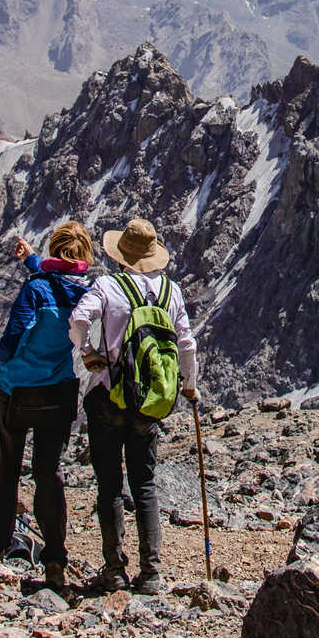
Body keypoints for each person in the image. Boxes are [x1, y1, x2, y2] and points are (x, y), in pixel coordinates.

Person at [69, 217, 198, 593]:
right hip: (151, 402)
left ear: (121, 253)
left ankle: (113, 570)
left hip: (109, 393)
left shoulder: (108, 285)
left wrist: (89, 353)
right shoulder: (171, 292)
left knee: (109, 484)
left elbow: (78, 320)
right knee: (144, 483)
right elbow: (187, 343)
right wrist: (188, 387)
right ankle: (151, 573)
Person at [0, 220, 92, 589]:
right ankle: (54, 558)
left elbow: (14, 334)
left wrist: (4, 360)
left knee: (6, 470)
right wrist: (31, 259)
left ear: (54, 248)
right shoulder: (88, 293)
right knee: (49, 473)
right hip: (58, 393)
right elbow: (62, 281)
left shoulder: (35, 291)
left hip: (17, 390)